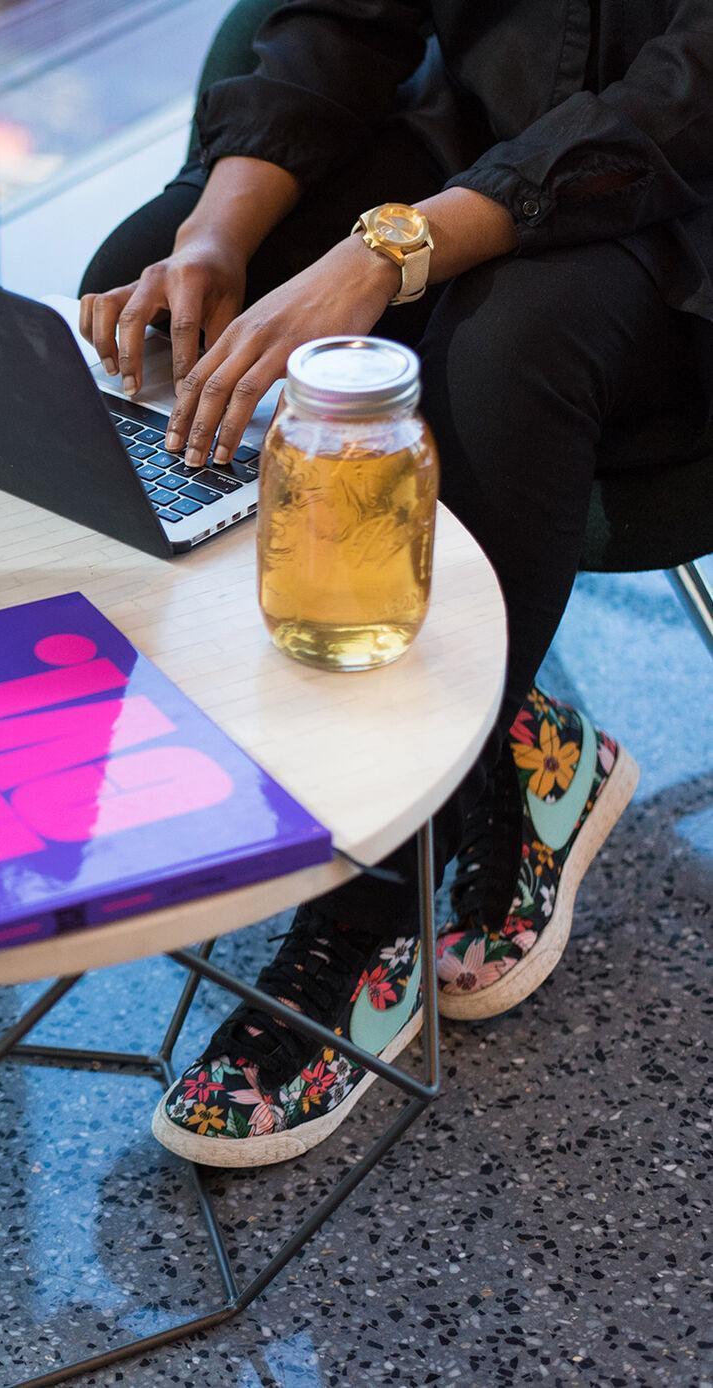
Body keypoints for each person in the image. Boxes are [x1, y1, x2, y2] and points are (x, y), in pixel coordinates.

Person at [78, 0, 713, 1167]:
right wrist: (215, 232)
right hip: (476, 142)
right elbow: (342, 15)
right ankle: (497, 737)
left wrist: (384, 254)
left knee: (507, 350)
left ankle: (375, 896)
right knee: (144, 293)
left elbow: (681, 103)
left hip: (689, 208)